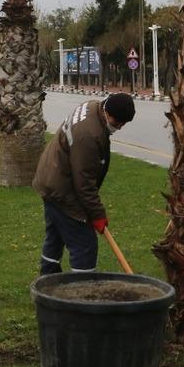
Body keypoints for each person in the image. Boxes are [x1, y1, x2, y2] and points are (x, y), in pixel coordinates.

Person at [33, 92, 136, 275]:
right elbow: (84, 182)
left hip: (50, 179)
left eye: (124, 124)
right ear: (107, 112)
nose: (119, 127)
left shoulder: (93, 106)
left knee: (55, 236)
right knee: (84, 243)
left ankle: (47, 278)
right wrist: (97, 215)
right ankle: (82, 290)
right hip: (61, 189)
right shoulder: (88, 134)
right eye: (117, 122)